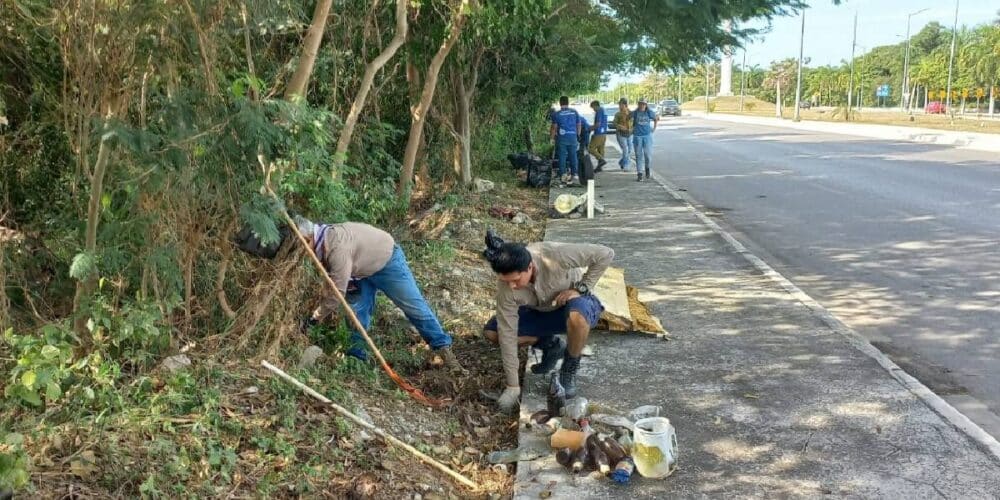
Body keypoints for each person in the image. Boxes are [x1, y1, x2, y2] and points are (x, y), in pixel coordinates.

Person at [296, 216, 466, 374]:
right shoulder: (324, 237)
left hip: (387, 261)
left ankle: (443, 350)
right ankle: (357, 359)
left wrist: (315, 319)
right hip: (360, 271)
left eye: (300, 244)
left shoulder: (336, 246)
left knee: (414, 306)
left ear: (307, 239)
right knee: (356, 311)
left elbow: (337, 292)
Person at [481, 230, 614, 412]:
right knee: (493, 333)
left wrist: (581, 289)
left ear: (529, 267)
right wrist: (513, 387)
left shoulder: (555, 255)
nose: (511, 286)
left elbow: (605, 254)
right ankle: (552, 345)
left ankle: (569, 366)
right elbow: (507, 334)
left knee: (578, 316)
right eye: (506, 281)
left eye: (515, 280)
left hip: (572, 306)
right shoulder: (507, 288)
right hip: (540, 311)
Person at [550, 96, 582, 185]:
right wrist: (578, 135)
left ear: (560, 103)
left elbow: (554, 128)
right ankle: (574, 174)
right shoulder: (574, 112)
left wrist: (552, 139)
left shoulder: (557, 114)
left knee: (562, 156)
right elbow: (579, 125)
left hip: (562, 139)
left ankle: (563, 175)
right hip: (573, 138)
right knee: (573, 156)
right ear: (568, 102)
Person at [631, 97, 658, 182]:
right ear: (638, 104)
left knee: (648, 155)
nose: (642, 105)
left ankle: (647, 168)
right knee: (638, 156)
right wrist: (630, 128)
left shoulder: (649, 112)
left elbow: (656, 119)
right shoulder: (635, 113)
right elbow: (627, 118)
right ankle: (639, 174)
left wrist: (654, 128)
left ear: (646, 105)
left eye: (643, 104)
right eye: (640, 104)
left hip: (647, 136)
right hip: (637, 136)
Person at [613, 98, 634, 171]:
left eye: (620, 104)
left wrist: (632, 129)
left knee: (629, 150)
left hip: (629, 134)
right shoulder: (618, 114)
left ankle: (621, 162)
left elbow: (634, 123)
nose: (619, 106)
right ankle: (626, 165)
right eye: (619, 104)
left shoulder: (631, 113)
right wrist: (620, 126)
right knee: (625, 149)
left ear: (624, 105)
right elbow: (614, 123)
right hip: (620, 134)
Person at [588, 100, 608, 171]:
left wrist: (590, 128)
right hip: (603, 133)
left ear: (596, 106)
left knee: (590, 149)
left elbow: (598, 124)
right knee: (600, 150)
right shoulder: (604, 110)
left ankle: (601, 160)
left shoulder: (599, 111)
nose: (593, 110)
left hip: (598, 134)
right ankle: (599, 167)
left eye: (593, 108)